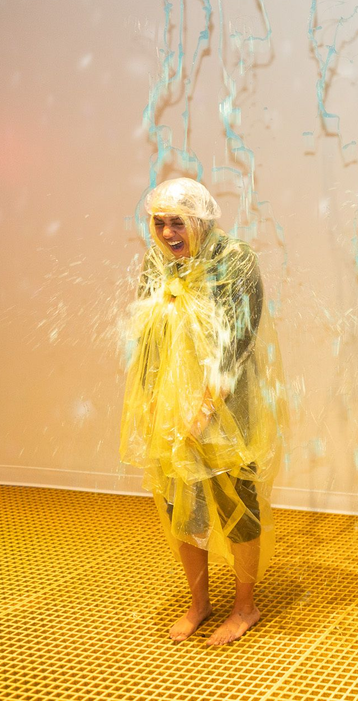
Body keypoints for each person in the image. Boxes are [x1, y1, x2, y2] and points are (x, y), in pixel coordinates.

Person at [120, 178, 287, 645]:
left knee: (237, 504)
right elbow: (148, 333)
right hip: (171, 404)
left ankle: (245, 606)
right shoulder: (156, 262)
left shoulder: (235, 260)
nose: (169, 233)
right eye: (160, 222)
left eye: (179, 222)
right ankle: (199, 603)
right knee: (181, 507)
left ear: (202, 220)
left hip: (227, 404)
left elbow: (238, 343)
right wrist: (152, 399)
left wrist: (205, 408)